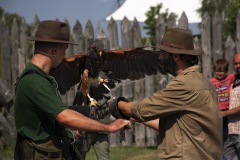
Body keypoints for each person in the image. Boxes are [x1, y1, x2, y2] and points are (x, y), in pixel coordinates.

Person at [13, 20, 131, 160]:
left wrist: (102, 109)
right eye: (64, 50)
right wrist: (109, 127)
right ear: (54, 51)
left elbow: (51, 114)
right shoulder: (34, 81)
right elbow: (63, 116)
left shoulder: (40, 78)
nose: (65, 55)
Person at [109, 28, 222, 159]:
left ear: (175, 56)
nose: (160, 57)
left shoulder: (184, 85)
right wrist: (135, 118)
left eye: (163, 53)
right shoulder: (203, 82)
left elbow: (143, 109)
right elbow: (178, 126)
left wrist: (115, 104)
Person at [210, 59, 235, 142]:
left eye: (222, 71)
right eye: (217, 71)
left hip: (228, 110)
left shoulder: (230, 77)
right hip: (218, 110)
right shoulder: (212, 81)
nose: (219, 73)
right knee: (218, 132)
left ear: (226, 71)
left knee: (228, 131)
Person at [221, 53, 240, 160]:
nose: (238, 66)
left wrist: (223, 113)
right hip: (231, 132)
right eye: (236, 63)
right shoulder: (233, 81)